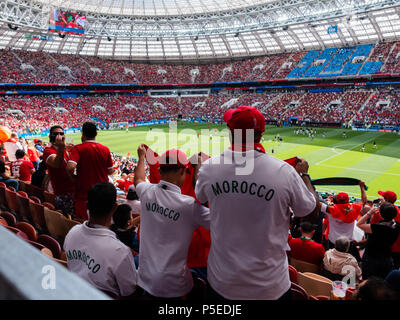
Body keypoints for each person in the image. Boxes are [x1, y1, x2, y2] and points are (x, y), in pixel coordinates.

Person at [195, 105, 320, 300]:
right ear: (261, 134)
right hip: (270, 286)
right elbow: (309, 210)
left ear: (230, 132)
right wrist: (304, 175)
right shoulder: (283, 172)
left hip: (222, 282)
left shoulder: (209, 169)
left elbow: (200, 198)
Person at [134, 145, 210, 300]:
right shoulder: (189, 206)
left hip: (145, 279)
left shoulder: (147, 191)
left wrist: (141, 157)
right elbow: (221, 222)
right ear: (183, 171)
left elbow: (138, 179)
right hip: (174, 288)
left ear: (160, 171)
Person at [64, 183, 137, 298]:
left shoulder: (72, 232)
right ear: (114, 208)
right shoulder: (120, 251)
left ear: (87, 205)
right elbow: (130, 291)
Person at [66, 122, 115, 220]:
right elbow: (110, 171)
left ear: (82, 134)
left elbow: (70, 167)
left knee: (83, 222)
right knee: (100, 222)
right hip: (102, 193)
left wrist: (74, 177)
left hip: (84, 193)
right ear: (96, 134)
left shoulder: (78, 148)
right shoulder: (105, 149)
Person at [321, 182, 367, 261]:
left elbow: (317, 202)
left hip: (333, 241)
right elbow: (364, 201)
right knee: (351, 260)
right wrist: (362, 187)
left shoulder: (330, 209)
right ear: (348, 200)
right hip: (348, 242)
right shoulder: (355, 208)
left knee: (332, 259)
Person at [357, 202, 400, 280]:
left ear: (380, 214)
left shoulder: (375, 228)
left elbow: (359, 224)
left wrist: (370, 213)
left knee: (367, 280)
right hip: (386, 257)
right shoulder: (397, 226)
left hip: (371, 257)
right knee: (382, 281)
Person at [43, 125, 75, 218]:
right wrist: (61, 148)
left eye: (61, 134)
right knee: (72, 219)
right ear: (50, 136)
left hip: (74, 190)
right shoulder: (48, 151)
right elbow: (57, 164)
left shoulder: (66, 150)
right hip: (63, 193)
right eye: (56, 134)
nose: (59, 136)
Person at [370, 190, 400, 269]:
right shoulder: (397, 210)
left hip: (382, 249)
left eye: (382, 197)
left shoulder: (378, 214)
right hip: (397, 248)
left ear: (386, 201)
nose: (379, 198)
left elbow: (371, 230)